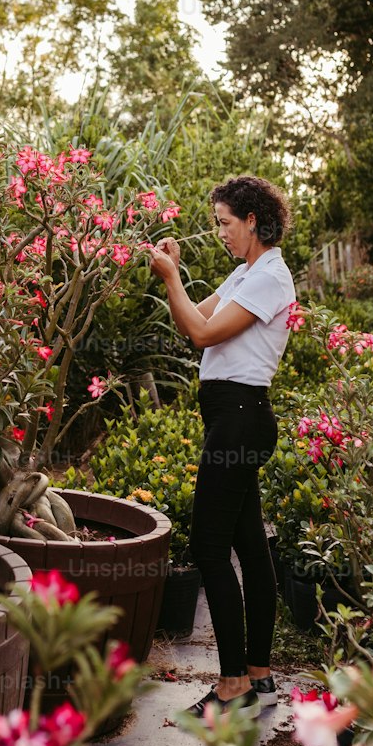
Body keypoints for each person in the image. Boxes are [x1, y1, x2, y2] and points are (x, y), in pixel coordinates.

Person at [148, 173, 296, 717]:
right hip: (231, 419)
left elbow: (204, 336)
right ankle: (257, 675)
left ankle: (233, 682)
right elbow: (193, 317)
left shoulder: (270, 278)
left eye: (226, 224)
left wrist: (172, 278)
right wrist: (175, 275)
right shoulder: (244, 274)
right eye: (216, 225)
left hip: (240, 417)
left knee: (209, 547)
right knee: (251, 546)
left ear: (253, 220)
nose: (221, 234)